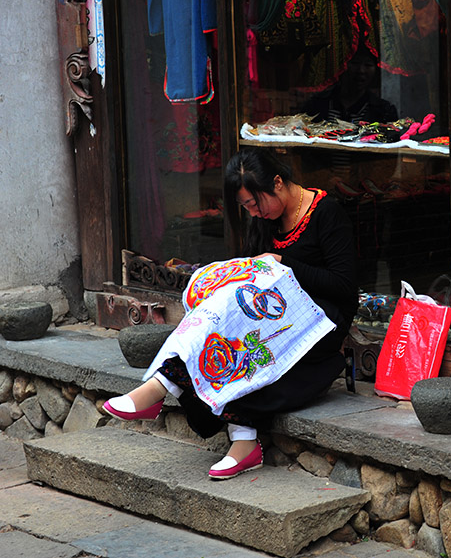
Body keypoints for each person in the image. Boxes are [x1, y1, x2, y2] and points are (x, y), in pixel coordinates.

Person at [102, 148, 358, 479]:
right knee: (223, 322)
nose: (253, 212)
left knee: (245, 348)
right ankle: (240, 439)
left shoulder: (327, 213)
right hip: (269, 316)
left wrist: (285, 266)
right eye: (246, 207)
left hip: (319, 324)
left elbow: (344, 287)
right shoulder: (266, 220)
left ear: (277, 183)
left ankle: (161, 386)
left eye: (255, 203)